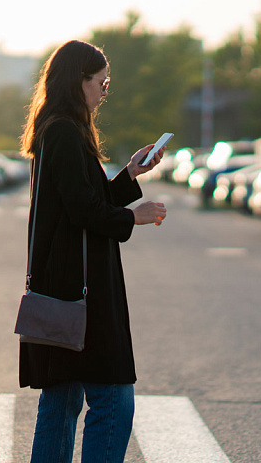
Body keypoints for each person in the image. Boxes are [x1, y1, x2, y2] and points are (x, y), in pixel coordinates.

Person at [18, 40, 168, 463]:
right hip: (82, 290)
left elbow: (84, 198)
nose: (105, 90)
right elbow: (84, 209)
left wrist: (129, 174)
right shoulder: (65, 131)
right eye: (100, 81)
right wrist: (131, 217)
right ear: (77, 81)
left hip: (63, 283)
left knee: (62, 400)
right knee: (114, 400)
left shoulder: (58, 128)